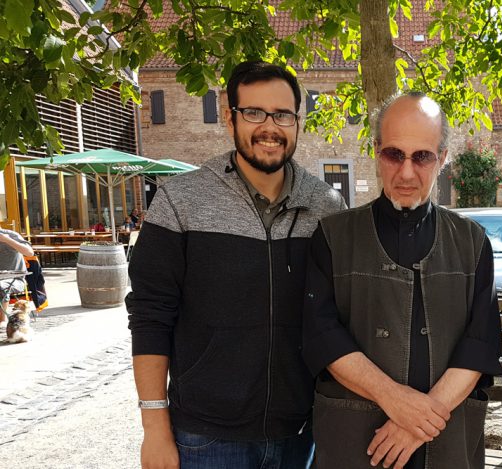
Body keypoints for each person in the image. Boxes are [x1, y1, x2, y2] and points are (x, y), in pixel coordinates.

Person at [126, 60, 346, 469]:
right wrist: (154, 427)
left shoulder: (327, 208)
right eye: (254, 112)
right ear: (230, 118)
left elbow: (339, 316)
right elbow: (150, 317)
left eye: (282, 114)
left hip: (300, 434)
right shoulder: (180, 202)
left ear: (297, 122)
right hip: (206, 438)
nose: (269, 127)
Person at [302, 92, 502, 469]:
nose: (406, 173)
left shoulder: (473, 243)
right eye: (394, 154)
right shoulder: (331, 237)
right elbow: (322, 336)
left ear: (443, 157)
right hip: (355, 445)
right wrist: (394, 399)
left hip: (445, 445)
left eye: (422, 156)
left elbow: (479, 345)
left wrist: (417, 422)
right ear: (377, 151)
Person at [0, 228, 34, 327]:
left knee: (1, 285)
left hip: (15, 279)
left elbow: (29, 252)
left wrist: (7, 240)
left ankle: (2, 320)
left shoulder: (10, 235)